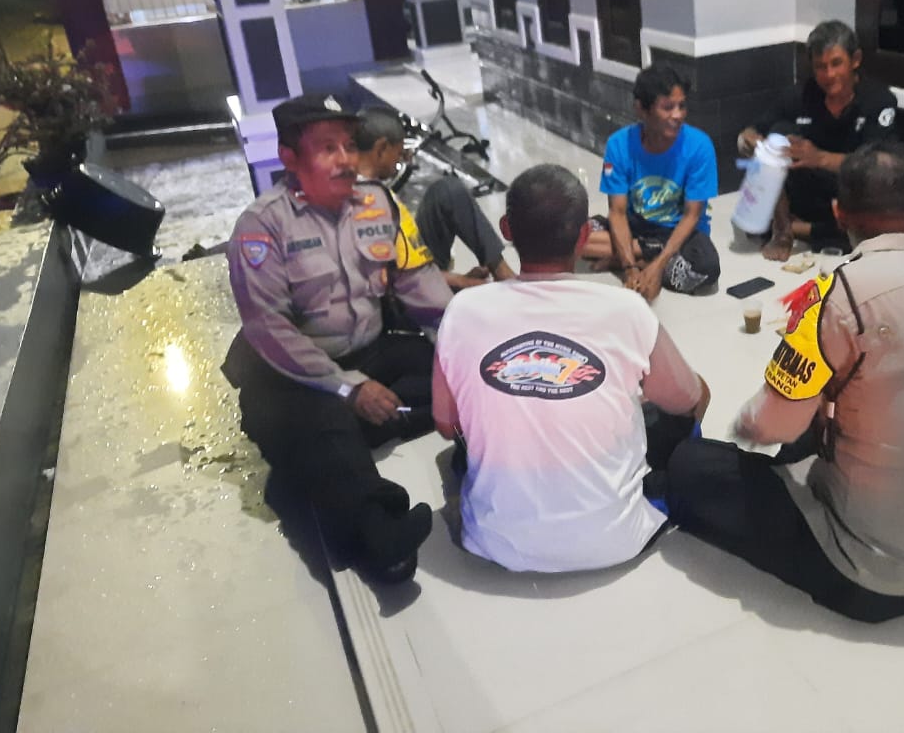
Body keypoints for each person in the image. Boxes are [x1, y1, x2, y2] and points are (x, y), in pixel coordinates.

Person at [668, 142, 904, 622]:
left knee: (689, 465)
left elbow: (768, 426)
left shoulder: (835, 297)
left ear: (838, 212)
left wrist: (745, 422)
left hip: (869, 576)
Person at [432, 164, 710, 573]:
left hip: (493, 542)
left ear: (507, 230)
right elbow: (688, 401)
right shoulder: (626, 309)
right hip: (618, 539)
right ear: (583, 236)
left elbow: (446, 424)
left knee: (459, 451)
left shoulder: (462, 311)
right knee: (689, 398)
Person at [222, 93, 452, 583]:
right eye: (328, 148)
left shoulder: (376, 203)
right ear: (289, 157)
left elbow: (419, 286)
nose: (346, 159)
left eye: (349, 145)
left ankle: (359, 428)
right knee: (320, 423)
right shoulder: (261, 227)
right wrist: (348, 387)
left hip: (370, 349)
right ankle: (380, 536)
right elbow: (269, 331)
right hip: (296, 374)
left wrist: (467, 341)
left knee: (450, 372)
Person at [738, 20, 900, 260]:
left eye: (836, 64)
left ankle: (797, 229)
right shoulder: (800, 95)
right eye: (820, 67)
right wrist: (751, 142)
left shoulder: (878, 100)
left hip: (848, 195)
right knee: (779, 131)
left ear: (855, 60)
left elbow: (876, 165)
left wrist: (820, 158)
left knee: (875, 223)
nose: (829, 75)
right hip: (804, 193)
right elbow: (752, 131)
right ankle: (782, 227)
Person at [581, 64, 720, 300]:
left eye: (682, 106)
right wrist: (630, 269)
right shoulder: (619, 144)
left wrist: (656, 267)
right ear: (641, 109)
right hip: (636, 224)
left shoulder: (699, 146)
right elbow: (617, 212)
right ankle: (636, 254)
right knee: (572, 236)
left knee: (706, 269)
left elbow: (691, 216)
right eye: (668, 107)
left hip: (679, 233)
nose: (678, 115)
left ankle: (632, 254)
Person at [353, 105, 516, 290]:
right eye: (398, 153)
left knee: (448, 191)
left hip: (412, 262)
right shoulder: (362, 205)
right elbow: (392, 277)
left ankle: (501, 270)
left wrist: (453, 278)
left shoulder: (369, 185)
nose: (402, 160)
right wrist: (459, 281)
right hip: (401, 290)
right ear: (382, 148)